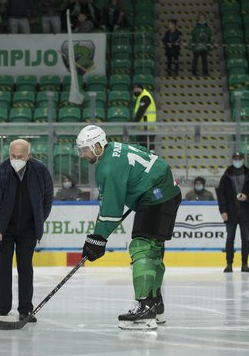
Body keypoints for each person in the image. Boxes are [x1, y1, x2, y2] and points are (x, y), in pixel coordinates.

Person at [76, 125, 181, 330]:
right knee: (154, 250)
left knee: (141, 248)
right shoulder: (117, 147)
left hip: (155, 197)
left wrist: (98, 238)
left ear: (98, 146)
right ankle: (155, 304)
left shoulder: (107, 168)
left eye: (85, 149)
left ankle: (145, 308)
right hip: (168, 192)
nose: (83, 154)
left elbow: (111, 210)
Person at [0, 139, 53, 321]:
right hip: (4, 229)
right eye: (12, 156)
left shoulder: (40, 170)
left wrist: (38, 221)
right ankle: (3, 309)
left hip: (28, 229)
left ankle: (25, 310)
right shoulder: (1, 171)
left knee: (25, 268)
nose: (16, 159)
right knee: (4, 267)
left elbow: (47, 199)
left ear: (28, 156)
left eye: (20, 156)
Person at [216, 151, 249, 273]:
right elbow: (221, 195)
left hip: (245, 213)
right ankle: (229, 264)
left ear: (243, 160)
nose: (237, 160)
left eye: (239, 158)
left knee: (245, 239)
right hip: (230, 213)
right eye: (235, 158)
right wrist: (223, 211)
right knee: (230, 239)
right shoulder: (226, 176)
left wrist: (247, 197)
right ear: (232, 160)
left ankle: (245, 264)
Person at [132, 83, 156, 150]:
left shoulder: (145, 97)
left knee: (147, 148)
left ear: (142, 89)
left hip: (147, 127)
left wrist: (134, 123)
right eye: (134, 89)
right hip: (143, 127)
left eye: (137, 89)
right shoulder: (141, 97)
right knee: (144, 147)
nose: (136, 90)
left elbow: (141, 111)